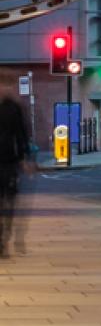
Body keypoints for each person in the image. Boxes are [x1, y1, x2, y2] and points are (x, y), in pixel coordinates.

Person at [0, 92, 32, 257]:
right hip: (8, 161)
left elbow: (21, 135)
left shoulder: (13, 107)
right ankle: (2, 241)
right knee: (7, 203)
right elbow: (22, 135)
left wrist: (23, 158)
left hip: (9, 162)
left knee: (9, 203)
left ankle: (4, 240)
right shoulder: (14, 108)